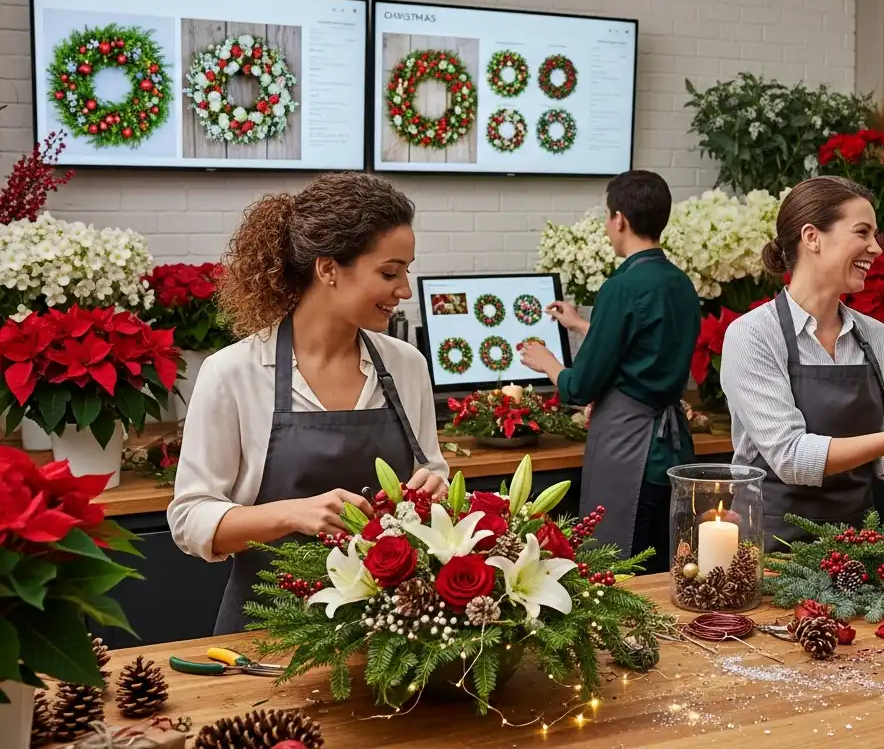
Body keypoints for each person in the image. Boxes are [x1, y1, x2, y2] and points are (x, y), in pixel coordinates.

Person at [167, 173, 450, 635]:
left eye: (407, 271)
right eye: (389, 272)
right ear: (328, 269)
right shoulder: (232, 372)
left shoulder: (407, 366)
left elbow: (432, 470)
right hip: (267, 632)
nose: (405, 290)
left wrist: (435, 489)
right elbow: (189, 518)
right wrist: (291, 513)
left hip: (389, 633)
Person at [720, 176, 884, 548]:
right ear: (812, 237)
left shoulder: (876, 337)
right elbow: (790, 458)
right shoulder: (753, 335)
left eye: (875, 234)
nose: (876, 248)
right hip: (770, 546)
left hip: (856, 547)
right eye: (862, 232)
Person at [520, 170, 699, 573]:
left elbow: (580, 386)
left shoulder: (623, 286)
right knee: (666, 564)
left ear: (619, 219)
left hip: (631, 452)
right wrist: (585, 325)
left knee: (620, 567)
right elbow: (648, 345)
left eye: (607, 217)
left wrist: (549, 364)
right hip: (672, 448)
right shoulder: (680, 283)